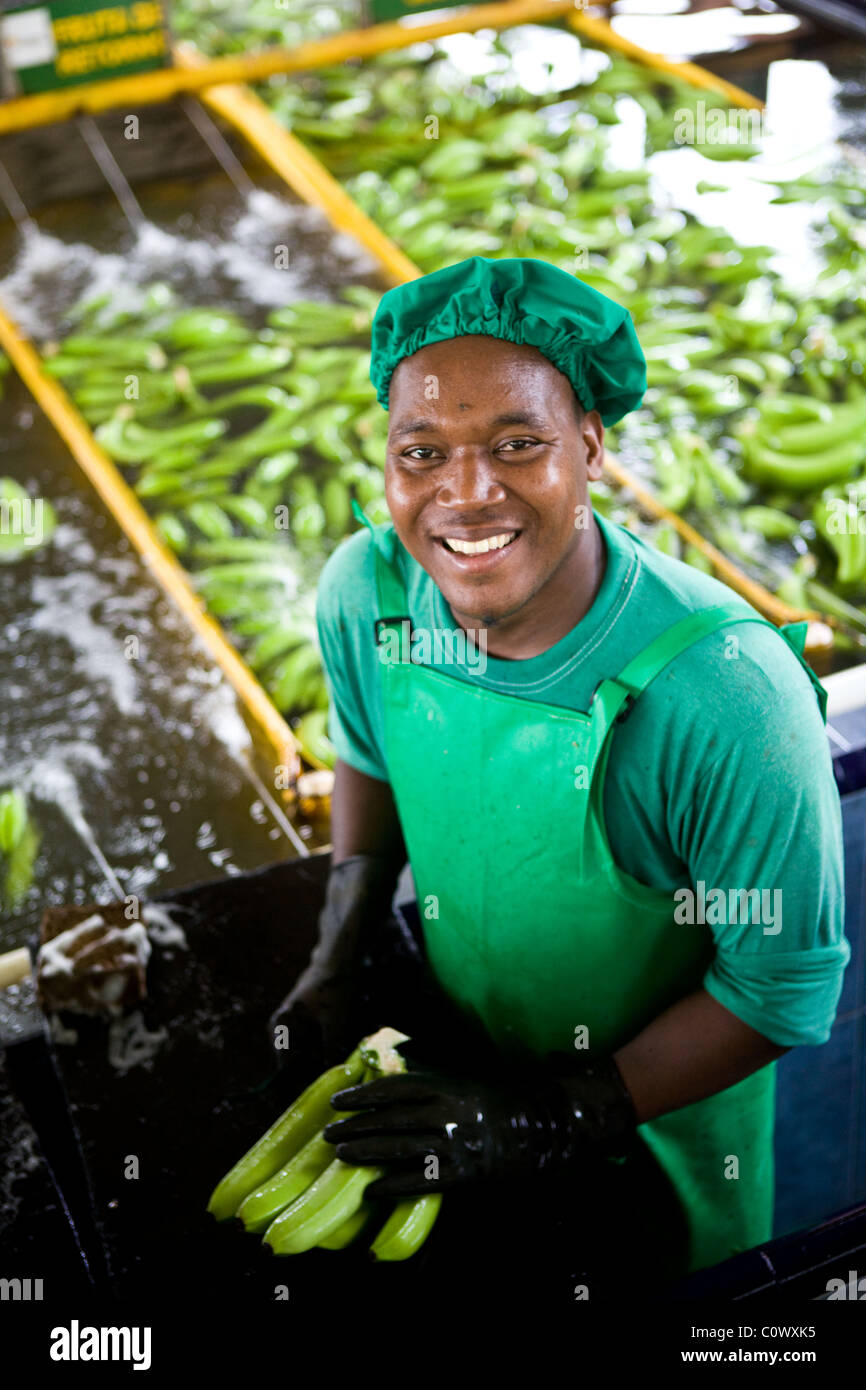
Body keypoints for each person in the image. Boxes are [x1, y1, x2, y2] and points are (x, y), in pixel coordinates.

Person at [272, 256, 850, 1292]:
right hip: (455, 1045)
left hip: (656, 1117)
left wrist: (544, 1115)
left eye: (516, 444)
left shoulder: (721, 692)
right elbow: (368, 753)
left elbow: (778, 988)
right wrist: (341, 945)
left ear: (588, 443)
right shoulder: (369, 595)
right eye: (422, 451)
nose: (465, 494)